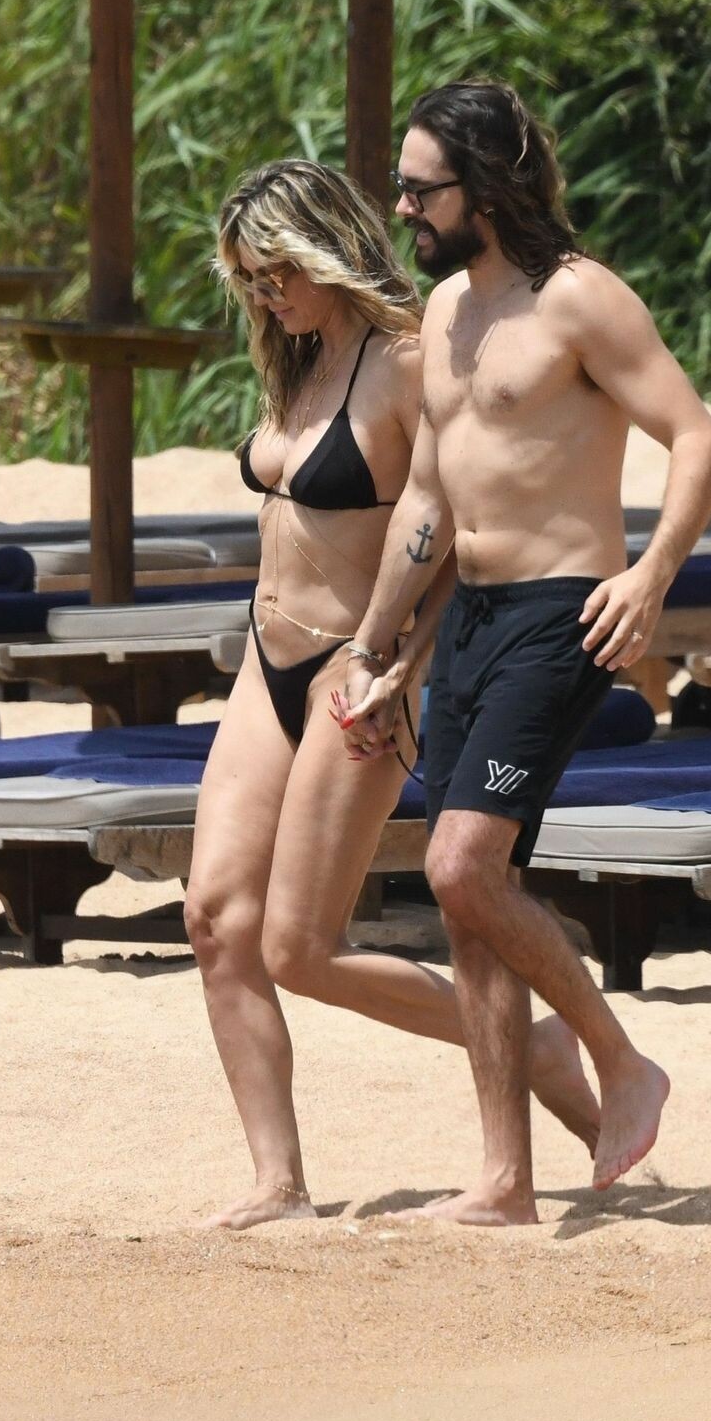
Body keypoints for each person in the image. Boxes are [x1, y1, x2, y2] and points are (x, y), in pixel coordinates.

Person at [185, 158, 602, 1230]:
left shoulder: (409, 360)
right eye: (249, 277)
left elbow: (464, 526)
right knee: (215, 920)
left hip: (360, 673)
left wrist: (405, 665)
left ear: (325, 248)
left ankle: (530, 1045)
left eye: (278, 270)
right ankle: (277, 1182)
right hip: (266, 662)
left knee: (300, 947)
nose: (266, 292)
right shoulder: (294, 364)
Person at [341, 82, 711, 1226]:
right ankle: (504, 1179)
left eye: (419, 189)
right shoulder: (443, 315)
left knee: (462, 867)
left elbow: (697, 440)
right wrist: (379, 647)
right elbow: (429, 498)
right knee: (472, 904)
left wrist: (649, 576)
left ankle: (620, 1060)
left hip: (562, 614)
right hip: (466, 622)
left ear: (485, 188)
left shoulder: (580, 300)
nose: (402, 208)